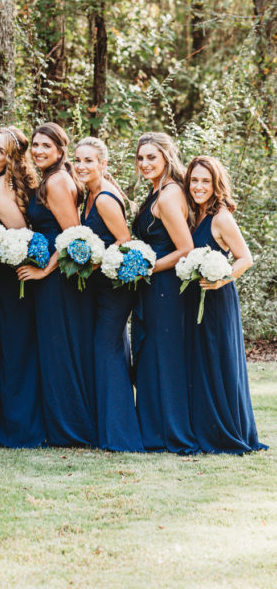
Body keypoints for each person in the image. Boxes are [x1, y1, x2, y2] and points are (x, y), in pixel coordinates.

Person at [20, 122, 96, 447]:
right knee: (55, 348)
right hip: (54, 276)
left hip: (57, 278)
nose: (38, 150)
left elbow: (72, 236)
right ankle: (62, 426)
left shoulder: (57, 182)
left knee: (59, 349)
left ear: (60, 150)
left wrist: (42, 272)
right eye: (34, 145)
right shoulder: (52, 179)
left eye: (45, 146)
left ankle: (71, 430)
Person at [185, 156, 267, 453]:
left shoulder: (221, 217)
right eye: (194, 180)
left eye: (205, 181)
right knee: (199, 363)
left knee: (218, 362)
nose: (198, 186)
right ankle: (201, 427)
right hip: (194, 298)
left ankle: (225, 431)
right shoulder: (193, 214)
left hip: (217, 297)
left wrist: (223, 279)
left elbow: (245, 257)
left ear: (216, 184)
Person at [74, 137, 143, 452]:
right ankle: (108, 429)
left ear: (103, 164)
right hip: (101, 287)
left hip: (115, 289)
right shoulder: (89, 195)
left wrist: (94, 257)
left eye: (89, 161)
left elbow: (124, 240)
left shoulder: (103, 198)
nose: (82, 166)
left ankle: (120, 437)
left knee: (106, 351)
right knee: (108, 351)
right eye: (78, 160)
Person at [131, 132, 198, 453]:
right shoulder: (155, 190)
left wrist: (146, 267)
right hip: (154, 286)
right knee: (152, 356)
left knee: (163, 356)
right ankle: (153, 429)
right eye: (140, 158)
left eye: (151, 157)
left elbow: (185, 248)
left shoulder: (169, 195)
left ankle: (170, 432)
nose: (144, 163)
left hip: (165, 287)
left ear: (167, 158)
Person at [0, 126, 44, 448]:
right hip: (7, 277)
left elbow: (20, 235)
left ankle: (20, 429)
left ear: (11, 159)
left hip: (11, 278)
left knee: (16, 352)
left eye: (0, 151)